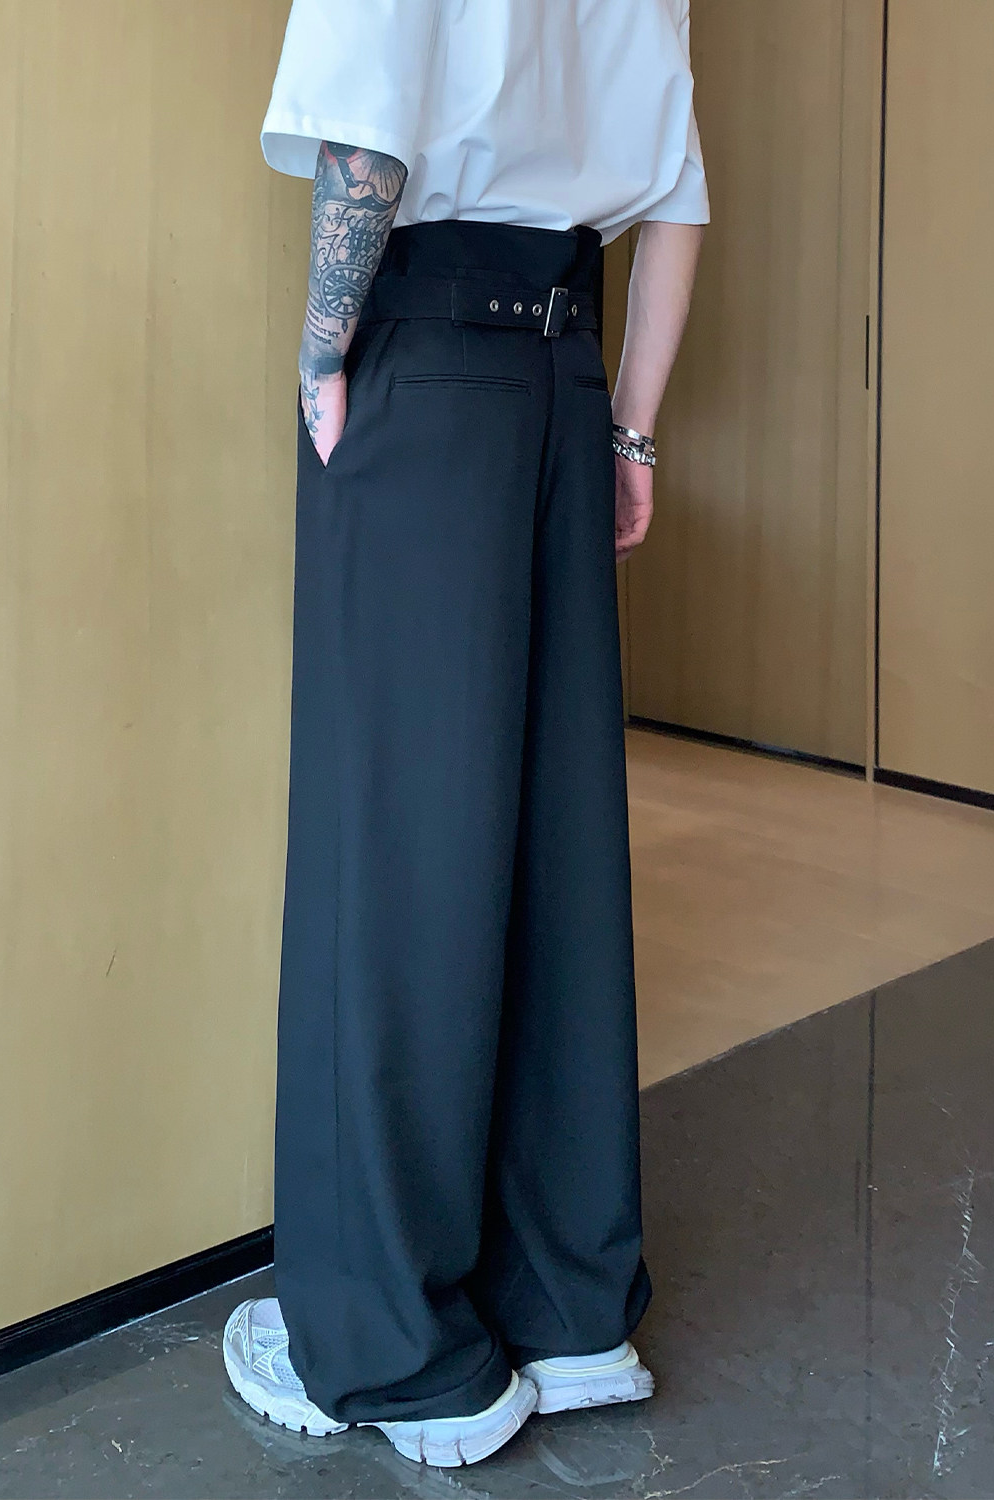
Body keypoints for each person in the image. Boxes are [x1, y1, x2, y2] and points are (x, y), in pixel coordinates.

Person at [223, 0, 707, 1469]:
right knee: (556, 841)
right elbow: (678, 194)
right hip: (568, 366)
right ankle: (570, 1310)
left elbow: (368, 142)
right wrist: (630, 427)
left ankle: (393, 1349)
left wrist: (324, 349)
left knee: (392, 850)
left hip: (426, 354)